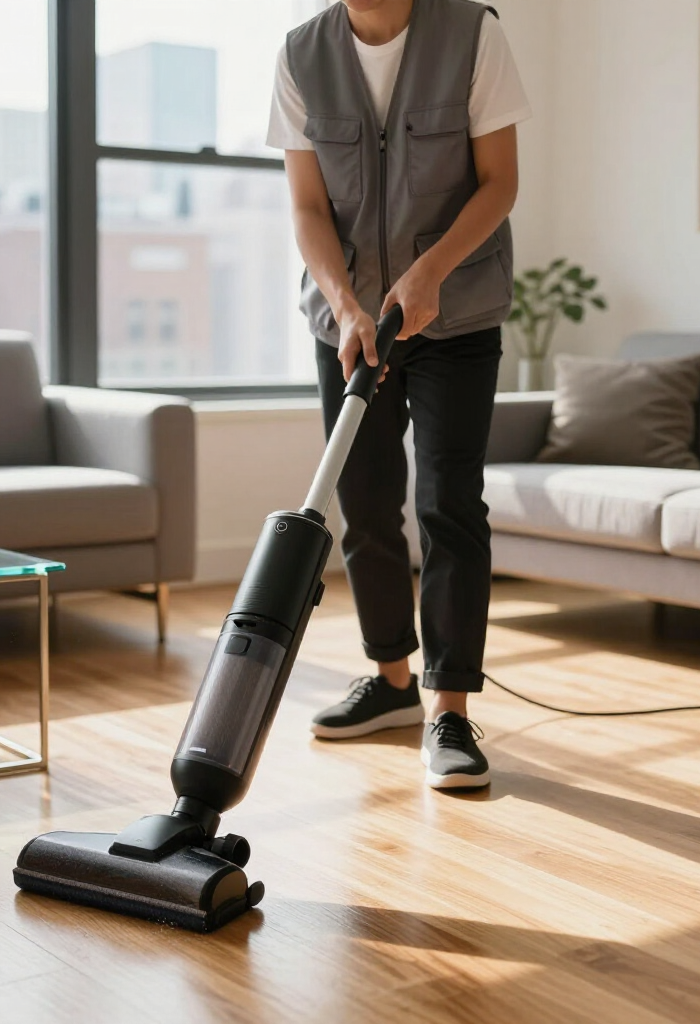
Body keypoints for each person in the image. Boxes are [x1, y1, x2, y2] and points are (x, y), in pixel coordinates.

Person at [267, 0, 531, 789]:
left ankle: (449, 708)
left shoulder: (473, 34)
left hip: (457, 312)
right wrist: (345, 305)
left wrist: (429, 274)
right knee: (366, 501)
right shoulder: (300, 55)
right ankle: (391, 683)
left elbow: (500, 184)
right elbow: (308, 205)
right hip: (351, 323)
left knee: (449, 503)